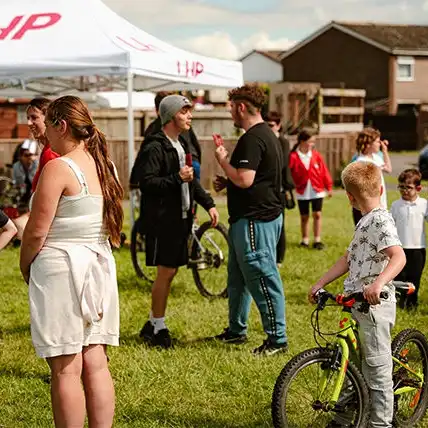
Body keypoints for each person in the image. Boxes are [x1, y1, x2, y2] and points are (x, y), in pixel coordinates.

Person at [20, 95, 123, 427]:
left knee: (65, 367)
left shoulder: (57, 168)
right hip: (98, 267)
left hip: (63, 267)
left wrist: (25, 265)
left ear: (61, 125)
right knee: (96, 362)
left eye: (48, 124)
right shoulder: (104, 165)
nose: (45, 133)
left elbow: (36, 232)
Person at [309, 161, 406, 428]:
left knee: (377, 369)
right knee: (350, 364)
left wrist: (378, 284)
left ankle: (381, 424)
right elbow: (348, 259)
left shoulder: (381, 219)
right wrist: (320, 282)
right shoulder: (365, 221)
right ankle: (343, 418)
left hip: (375, 305)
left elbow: (398, 256)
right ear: (381, 186)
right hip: (355, 303)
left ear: (350, 197)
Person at [137, 94, 219, 349]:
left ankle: (152, 322)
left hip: (179, 217)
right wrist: (175, 178)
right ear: (172, 115)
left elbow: (190, 180)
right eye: (185, 111)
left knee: (170, 272)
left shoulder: (180, 143)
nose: (190, 116)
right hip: (163, 220)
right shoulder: (155, 146)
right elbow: (146, 183)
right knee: (166, 272)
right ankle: (158, 327)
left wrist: (208, 203)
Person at [213, 84, 287, 356]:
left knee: (262, 277)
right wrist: (228, 181)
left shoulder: (253, 138)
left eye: (231, 106)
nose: (230, 112)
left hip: (256, 221)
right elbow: (254, 178)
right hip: (254, 217)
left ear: (242, 107)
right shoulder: (266, 134)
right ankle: (236, 330)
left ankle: (277, 340)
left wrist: (222, 160)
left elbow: (245, 179)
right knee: (238, 278)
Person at [130, 91, 203, 188]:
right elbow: (148, 179)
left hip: (189, 164)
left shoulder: (181, 136)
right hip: (189, 164)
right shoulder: (155, 140)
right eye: (184, 112)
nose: (190, 116)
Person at [289, 130, 333, 250]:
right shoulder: (293, 157)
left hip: (316, 190)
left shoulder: (316, 155)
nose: (312, 144)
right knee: (304, 216)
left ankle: (317, 240)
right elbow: (289, 173)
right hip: (302, 191)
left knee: (317, 214)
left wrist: (328, 186)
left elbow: (324, 171)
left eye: (313, 142)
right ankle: (305, 240)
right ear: (302, 142)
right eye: (310, 141)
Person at [391, 169, 427, 309]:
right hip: (399, 248)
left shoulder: (424, 204)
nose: (404, 190)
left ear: (418, 188)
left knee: (415, 277)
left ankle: (412, 304)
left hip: (418, 248)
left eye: (408, 187)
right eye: (401, 187)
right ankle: (398, 302)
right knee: (399, 277)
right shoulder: (395, 205)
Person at [265, 111, 294, 266]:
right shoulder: (263, 139)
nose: (269, 128)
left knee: (279, 224)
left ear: (278, 125)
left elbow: (281, 164)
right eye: (266, 125)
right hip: (266, 189)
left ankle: (279, 258)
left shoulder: (282, 141)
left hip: (279, 189)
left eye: (271, 125)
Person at [352, 127, 392, 225]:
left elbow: (388, 169)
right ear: (368, 144)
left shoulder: (376, 158)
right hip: (368, 207)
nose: (380, 143)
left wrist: (385, 151)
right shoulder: (361, 162)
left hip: (379, 204)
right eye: (378, 141)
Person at [27, 97, 60, 192]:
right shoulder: (47, 150)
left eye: (34, 117)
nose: (29, 123)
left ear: (48, 119)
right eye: (28, 118)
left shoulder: (51, 153)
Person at [12, 140, 38, 206]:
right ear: (21, 157)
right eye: (26, 155)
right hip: (22, 194)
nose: (29, 157)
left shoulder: (37, 165)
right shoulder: (16, 166)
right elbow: (15, 182)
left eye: (31, 155)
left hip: (34, 194)